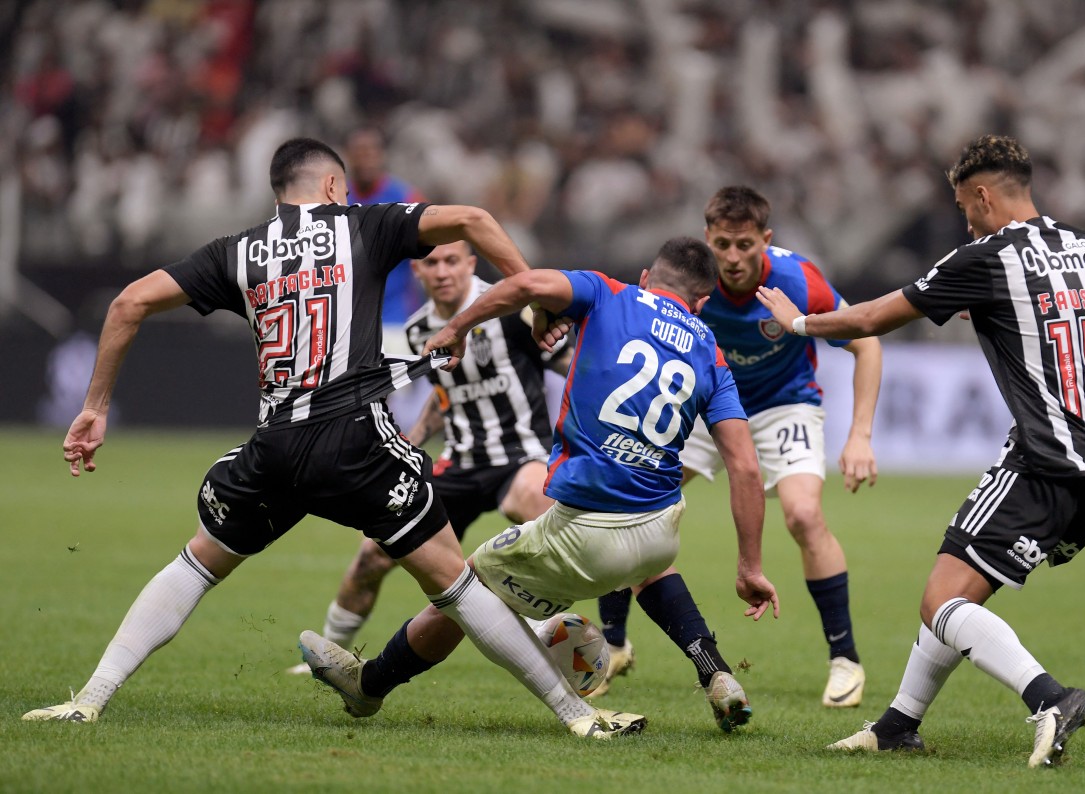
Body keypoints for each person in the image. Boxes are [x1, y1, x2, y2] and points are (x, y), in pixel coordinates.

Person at [22, 137, 642, 739]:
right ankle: (578, 716)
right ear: (331, 186)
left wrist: (95, 407)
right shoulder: (362, 225)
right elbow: (475, 219)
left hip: (276, 448)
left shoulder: (238, 251)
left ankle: (91, 699)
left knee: (197, 563)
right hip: (355, 442)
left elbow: (129, 302)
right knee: (455, 584)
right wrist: (533, 296)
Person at [298, 236, 781, 733]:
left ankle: (369, 685)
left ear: (646, 278)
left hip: (587, 532)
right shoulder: (712, 355)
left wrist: (460, 325)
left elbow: (527, 283)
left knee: (464, 586)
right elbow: (745, 467)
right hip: (661, 531)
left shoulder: (610, 292)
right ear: (701, 303)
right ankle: (717, 674)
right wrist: (750, 567)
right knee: (645, 565)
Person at [757, 134, 1085, 767]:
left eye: (963, 207)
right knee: (957, 588)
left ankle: (1051, 698)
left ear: (982, 195)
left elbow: (869, 320)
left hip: (1042, 456)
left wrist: (797, 322)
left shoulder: (986, 255)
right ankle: (898, 725)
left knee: (941, 602)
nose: (966, 220)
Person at [591, 186, 882, 709]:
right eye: (722, 243)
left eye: (744, 245)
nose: (732, 257)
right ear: (708, 238)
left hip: (782, 406)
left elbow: (867, 343)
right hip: (704, 407)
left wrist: (860, 434)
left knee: (802, 515)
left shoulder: (797, 279)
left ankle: (845, 661)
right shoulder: (691, 283)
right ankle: (612, 643)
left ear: (765, 240)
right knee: (627, 496)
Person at [283, 238, 570, 673]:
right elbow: (444, 395)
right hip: (458, 461)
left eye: (452, 261)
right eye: (431, 262)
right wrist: (413, 439)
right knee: (372, 556)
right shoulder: (420, 329)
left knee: (537, 506)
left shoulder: (509, 308)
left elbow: (569, 362)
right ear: (417, 271)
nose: (442, 271)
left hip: (519, 455)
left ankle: (580, 635)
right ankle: (323, 656)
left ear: (471, 264)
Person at [343, 125, 431, 427]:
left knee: (397, 411)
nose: (365, 159)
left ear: (381, 156)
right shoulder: (338, 199)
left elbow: (432, 249)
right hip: (351, 321)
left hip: (397, 318)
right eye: (359, 153)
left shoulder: (404, 196)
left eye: (371, 152)